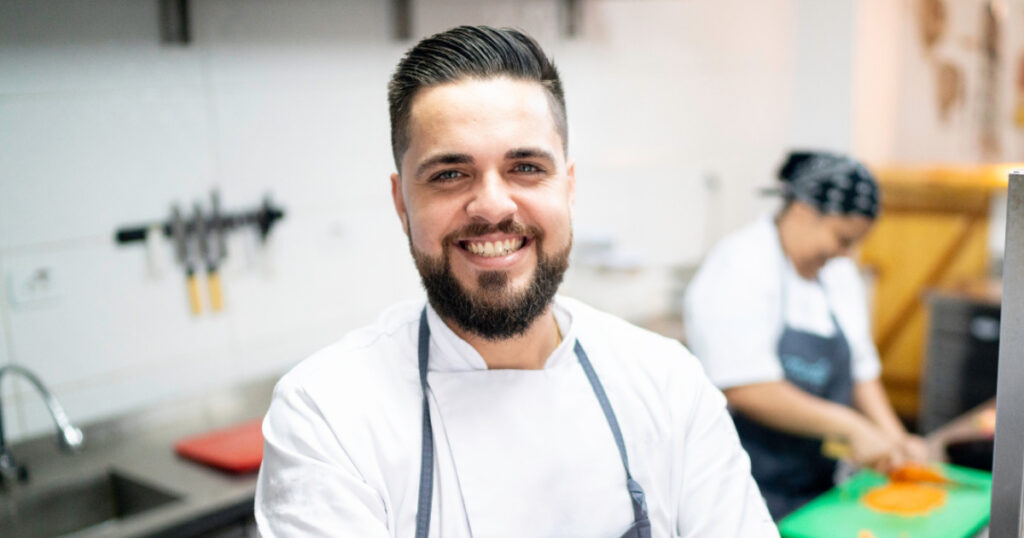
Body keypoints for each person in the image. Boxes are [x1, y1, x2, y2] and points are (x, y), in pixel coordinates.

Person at [255, 26, 776, 537]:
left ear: (567, 188)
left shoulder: (668, 385)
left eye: (525, 167)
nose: (493, 206)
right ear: (401, 204)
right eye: (449, 174)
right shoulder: (329, 413)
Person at [683, 151, 929, 521]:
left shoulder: (837, 273)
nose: (846, 253)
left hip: (816, 487)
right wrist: (850, 426)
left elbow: (862, 370)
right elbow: (746, 388)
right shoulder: (740, 265)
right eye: (842, 238)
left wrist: (895, 438)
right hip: (742, 487)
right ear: (802, 211)